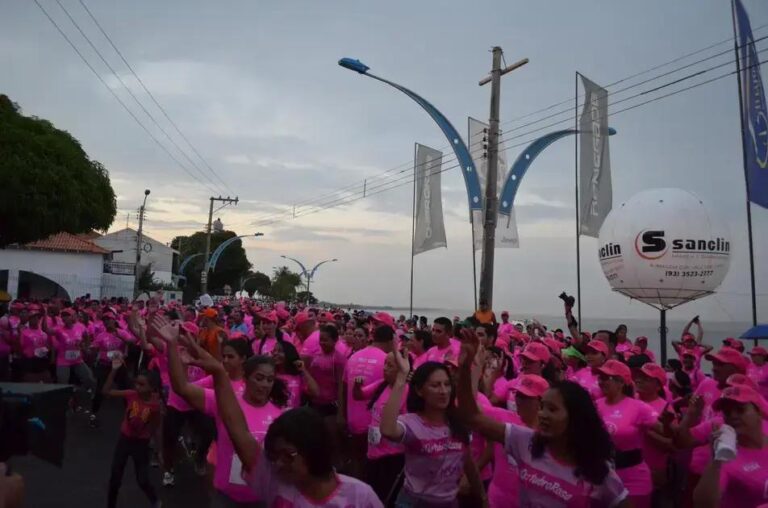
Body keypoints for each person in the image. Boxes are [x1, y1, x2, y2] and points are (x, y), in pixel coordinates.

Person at [455, 329, 629, 507]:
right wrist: (466, 366)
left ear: (575, 416)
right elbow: (471, 416)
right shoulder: (524, 440)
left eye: (552, 410)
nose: (542, 414)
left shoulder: (597, 470)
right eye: (542, 407)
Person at [190, 351, 383, 506]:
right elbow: (237, 428)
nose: (278, 464)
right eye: (275, 456)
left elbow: (315, 391)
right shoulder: (275, 486)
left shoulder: (358, 496)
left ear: (312, 453)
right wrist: (218, 372)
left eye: (287, 456)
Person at [161, 319, 288, 507]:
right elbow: (181, 387)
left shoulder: (280, 414)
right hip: (226, 498)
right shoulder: (225, 402)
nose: (264, 385)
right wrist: (172, 345)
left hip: (263, 500)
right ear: (246, 377)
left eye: (269, 380)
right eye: (259, 378)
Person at [379, 355, 484, 507]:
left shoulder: (458, 423)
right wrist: (401, 378)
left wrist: (482, 497)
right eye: (435, 385)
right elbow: (388, 430)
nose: (443, 391)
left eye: (447, 384)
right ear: (420, 391)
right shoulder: (412, 423)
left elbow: (469, 463)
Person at [595, 360, 661, 508]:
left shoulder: (639, 407)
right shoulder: (596, 405)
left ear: (621, 383)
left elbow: (666, 431)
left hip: (634, 479)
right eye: (600, 377)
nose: (601, 381)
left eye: (607, 378)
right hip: (603, 476)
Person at [693, 385, 768, 507]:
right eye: (727, 413)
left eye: (740, 409)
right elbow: (703, 504)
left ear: (758, 412)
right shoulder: (726, 456)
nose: (733, 416)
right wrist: (715, 462)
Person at [102, 355, 161, 508]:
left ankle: (155, 500)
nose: (137, 387)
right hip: (125, 440)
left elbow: (155, 426)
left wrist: (156, 448)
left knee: (142, 480)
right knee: (115, 478)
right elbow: (106, 391)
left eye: (142, 385)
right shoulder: (131, 394)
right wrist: (114, 371)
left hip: (141, 443)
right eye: (136, 383)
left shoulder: (155, 405)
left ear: (152, 387)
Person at [339, 324, 393, 479]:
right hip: (375, 424)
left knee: (357, 461)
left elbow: (343, 388)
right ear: (390, 341)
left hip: (353, 421)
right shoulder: (387, 361)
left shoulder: (354, 357)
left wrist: (342, 414)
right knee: (375, 467)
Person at [353, 352, 408, 505]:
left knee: (386, 498)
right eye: (385, 363)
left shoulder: (407, 392)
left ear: (402, 368)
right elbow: (359, 395)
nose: (385, 368)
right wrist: (357, 386)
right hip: (373, 453)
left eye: (390, 365)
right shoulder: (381, 384)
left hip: (392, 458)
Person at [52, 307, 96, 412]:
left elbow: (86, 336)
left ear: (72, 317)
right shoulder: (59, 329)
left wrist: (86, 347)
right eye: (63, 316)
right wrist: (45, 315)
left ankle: (78, 392)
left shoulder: (80, 327)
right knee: (62, 382)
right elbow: (47, 330)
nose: (64, 318)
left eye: (67, 315)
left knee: (89, 378)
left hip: (78, 360)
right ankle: (65, 403)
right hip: (63, 361)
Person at [271, 340, 319, 409]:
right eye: (274, 351)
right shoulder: (270, 375)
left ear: (288, 353)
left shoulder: (298, 376)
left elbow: (315, 393)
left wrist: (303, 370)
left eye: (280, 351)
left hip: (293, 417)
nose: (275, 353)